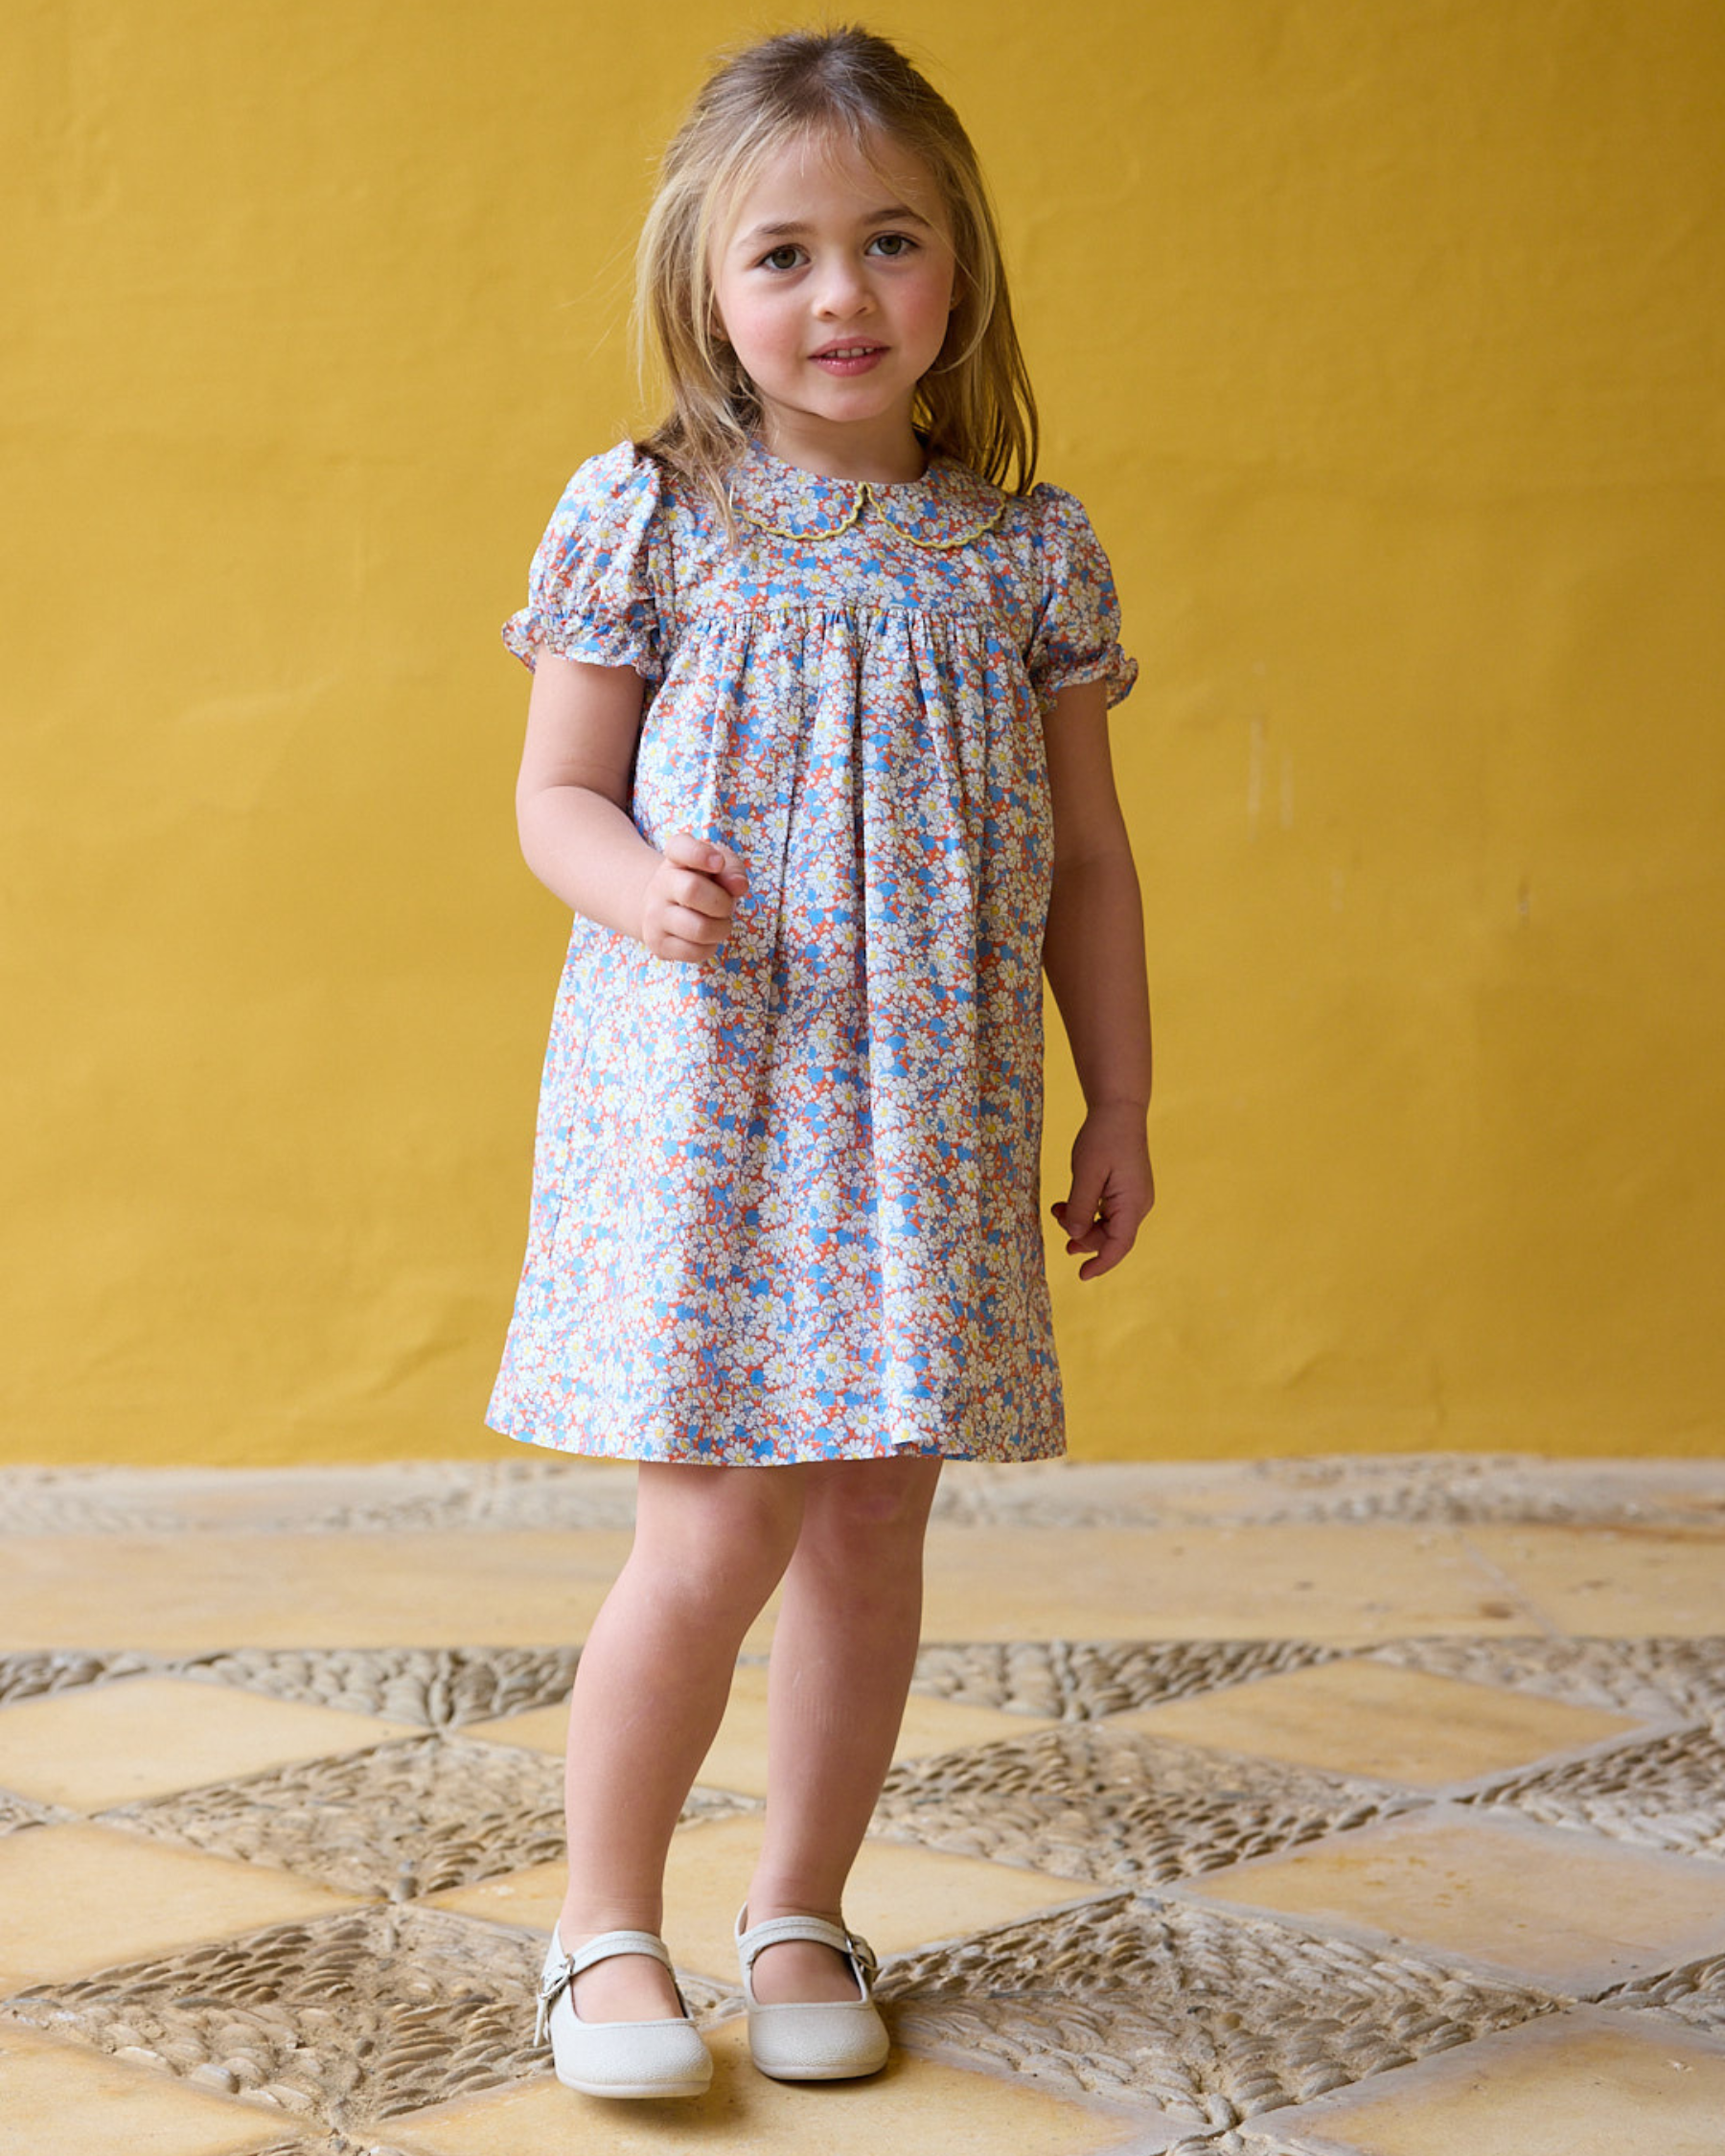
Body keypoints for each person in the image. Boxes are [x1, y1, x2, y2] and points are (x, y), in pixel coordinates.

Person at [490, 23, 1154, 2101]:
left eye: (890, 242)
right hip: (712, 1108)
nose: (841, 295)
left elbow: (1094, 861)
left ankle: (801, 1906)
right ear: (707, 282)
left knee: (875, 1523)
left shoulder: (1024, 554)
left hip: (927, 1122)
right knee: (710, 1534)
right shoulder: (651, 515)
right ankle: (605, 1931)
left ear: (960, 272)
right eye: (783, 254)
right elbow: (553, 797)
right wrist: (635, 891)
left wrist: (1118, 1095)